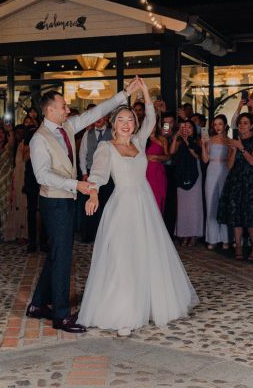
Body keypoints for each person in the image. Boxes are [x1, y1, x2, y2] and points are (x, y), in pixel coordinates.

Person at [78, 77, 198, 336]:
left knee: (147, 254)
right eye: (121, 120)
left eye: (130, 120)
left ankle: (149, 303)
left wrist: (144, 92)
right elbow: (97, 174)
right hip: (122, 207)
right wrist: (94, 194)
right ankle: (123, 313)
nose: (126, 124)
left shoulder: (140, 142)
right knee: (122, 258)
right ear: (113, 124)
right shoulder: (105, 147)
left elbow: (153, 120)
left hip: (145, 206)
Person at [26, 81, 138, 334]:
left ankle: (37, 305)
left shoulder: (67, 127)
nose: (68, 110)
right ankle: (61, 316)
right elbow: (42, 175)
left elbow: (95, 113)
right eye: (63, 106)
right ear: (50, 110)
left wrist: (124, 94)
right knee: (63, 256)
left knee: (58, 251)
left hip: (68, 199)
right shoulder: (38, 140)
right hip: (54, 201)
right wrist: (75, 184)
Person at [218, 113, 253, 261]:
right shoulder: (234, 142)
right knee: (236, 215)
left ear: (252, 126)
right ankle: (238, 246)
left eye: (245, 123)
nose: (242, 125)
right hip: (236, 181)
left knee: (251, 215)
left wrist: (241, 148)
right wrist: (234, 150)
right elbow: (229, 165)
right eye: (240, 123)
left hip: (251, 182)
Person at [78, 115, 113, 242]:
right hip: (90, 174)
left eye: (101, 117)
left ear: (106, 118)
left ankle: (104, 234)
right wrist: (83, 173)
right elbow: (82, 154)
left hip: (109, 176)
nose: (98, 119)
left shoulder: (112, 132)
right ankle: (89, 234)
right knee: (90, 205)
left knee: (106, 204)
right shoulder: (88, 134)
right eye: (96, 117)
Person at [170, 120, 204, 245]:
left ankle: (194, 234)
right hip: (181, 174)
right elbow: (171, 152)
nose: (186, 129)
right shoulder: (178, 141)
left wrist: (186, 140)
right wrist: (175, 137)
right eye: (184, 127)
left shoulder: (197, 141)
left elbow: (196, 155)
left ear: (193, 129)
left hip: (194, 173)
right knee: (183, 207)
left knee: (194, 206)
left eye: (189, 127)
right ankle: (184, 234)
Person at [202, 115, 232, 250]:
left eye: (220, 124)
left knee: (223, 204)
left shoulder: (229, 141)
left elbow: (232, 159)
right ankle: (212, 238)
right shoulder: (210, 140)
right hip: (211, 171)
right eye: (215, 124)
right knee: (211, 204)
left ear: (225, 125)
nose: (217, 127)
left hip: (225, 171)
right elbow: (204, 159)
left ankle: (226, 238)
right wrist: (203, 144)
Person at [0, 124, 14, 243]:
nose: (0, 135)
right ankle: (1, 231)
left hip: (8, 180)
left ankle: (8, 232)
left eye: (2, 133)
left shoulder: (8, 147)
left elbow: (11, 141)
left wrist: (10, 131)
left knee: (8, 205)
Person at [6, 136, 29, 243]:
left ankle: (28, 234)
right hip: (20, 178)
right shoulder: (20, 144)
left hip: (33, 179)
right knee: (19, 204)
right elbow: (20, 162)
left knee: (28, 206)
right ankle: (19, 233)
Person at [145, 118, 169, 213]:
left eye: (153, 125)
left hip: (158, 173)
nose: (151, 127)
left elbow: (168, 156)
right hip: (145, 173)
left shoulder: (162, 139)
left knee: (158, 199)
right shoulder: (141, 139)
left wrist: (157, 157)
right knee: (147, 201)